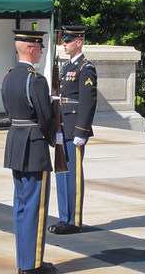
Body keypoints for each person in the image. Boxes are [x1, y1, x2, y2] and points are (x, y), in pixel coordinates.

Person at [1, 29, 60, 274]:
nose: (42, 52)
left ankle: (24, 261)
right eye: (40, 48)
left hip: (15, 142)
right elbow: (45, 116)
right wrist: (52, 137)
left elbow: (8, 109)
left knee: (21, 206)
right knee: (36, 207)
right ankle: (33, 265)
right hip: (34, 146)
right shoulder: (35, 79)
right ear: (32, 49)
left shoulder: (9, 76)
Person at [48, 25, 97, 235]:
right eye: (63, 41)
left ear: (79, 42)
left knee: (74, 175)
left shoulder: (86, 68)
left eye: (68, 41)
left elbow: (88, 102)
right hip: (62, 127)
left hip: (75, 128)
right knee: (62, 172)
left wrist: (81, 131)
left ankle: (74, 220)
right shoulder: (65, 67)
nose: (64, 44)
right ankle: (64, 218)